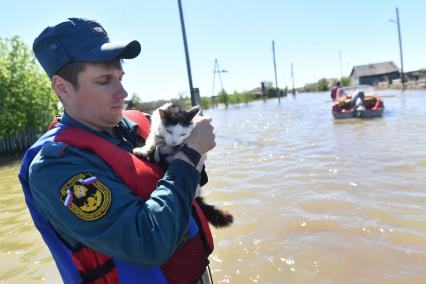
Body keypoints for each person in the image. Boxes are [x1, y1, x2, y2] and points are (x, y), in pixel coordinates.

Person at [18, 18, 216, 284]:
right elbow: (148, 242)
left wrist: (193, 153)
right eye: (104, 81)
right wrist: (190, 154)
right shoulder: (54, 168)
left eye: (121, 78)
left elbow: (192, 185)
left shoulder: (140, 125)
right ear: (62, 87)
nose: (122, 92)